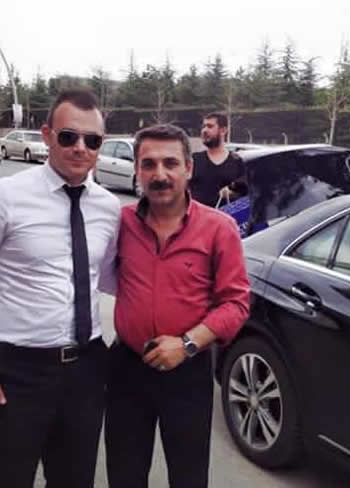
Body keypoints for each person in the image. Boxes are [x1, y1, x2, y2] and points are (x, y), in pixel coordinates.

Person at [0, 90, 121, 488]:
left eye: (92, 140)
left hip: (88, 370)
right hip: (18, 373)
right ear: (47, 135)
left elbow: (107, 276)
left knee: (74, 481)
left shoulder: (109, 207)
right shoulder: (4, 197)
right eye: (69, 137)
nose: (80, 148)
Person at [105, 124, 250, 488]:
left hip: (188, 372)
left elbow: (236, 303)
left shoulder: (219, 228)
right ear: (137, 170)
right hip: (126, 369)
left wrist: (186, 344)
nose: (160, 174)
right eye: (149, 164)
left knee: (188, 477)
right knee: (124, 475)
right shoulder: (120, 223)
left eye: (170, 163)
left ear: (188, 167)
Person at [189, 112, 247, 208]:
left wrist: (231, 192)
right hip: (197, 216)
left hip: (226, 216)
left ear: (223, 130)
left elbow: (244, 192)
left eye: (210, 126)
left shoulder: (237, 162)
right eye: (203, 126)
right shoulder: (193, 160)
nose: (204, 130)